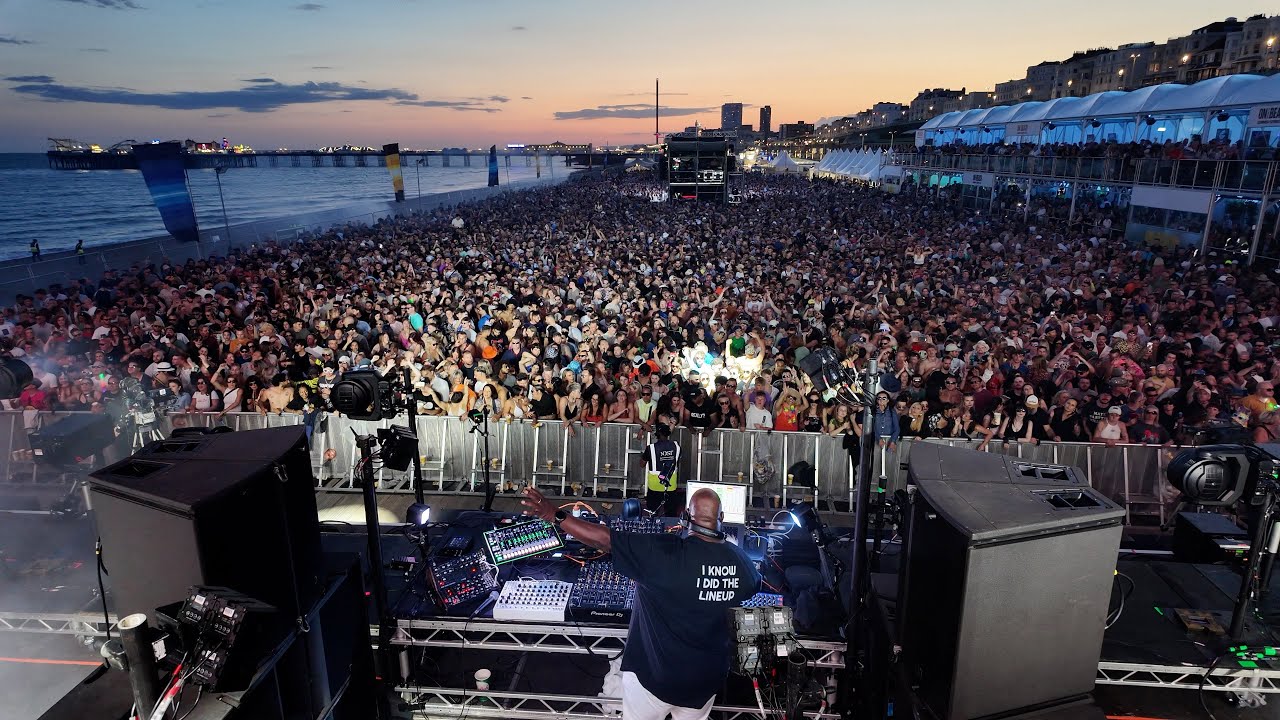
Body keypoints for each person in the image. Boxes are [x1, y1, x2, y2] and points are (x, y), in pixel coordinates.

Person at [520, 485, 760, 720]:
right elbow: (752, 586)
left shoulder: (665, 554)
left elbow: (605, 540)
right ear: (722, 518)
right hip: (704, 683)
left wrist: (554, 514)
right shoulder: (741, 561)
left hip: (654, 679)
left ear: (686, 516)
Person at [644, 423, 682, 516]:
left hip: (654, 486)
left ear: (658, 434)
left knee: (652, 513)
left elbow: (642, 464)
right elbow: (678, 461)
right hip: (671, 486)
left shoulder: (651, 448)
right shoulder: (676, 447)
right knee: (671, 514)